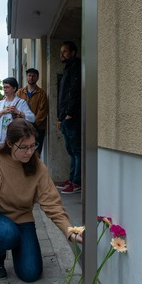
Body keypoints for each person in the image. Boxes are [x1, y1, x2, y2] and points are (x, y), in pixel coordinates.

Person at [0, 119, 82, 281]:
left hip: (23, 219)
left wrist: (69, 231)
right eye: (23, 147)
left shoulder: (37, 167)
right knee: (8, 234)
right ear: (10, 143)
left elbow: (52, 203)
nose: (29, 152)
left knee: (30, 273)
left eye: (32, 146)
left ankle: (16, 244)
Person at [56, 41, 81, 195]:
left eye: (65, 51)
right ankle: (72, 179)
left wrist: (70, 113)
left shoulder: (76, 66)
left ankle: (77, 182)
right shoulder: (67, 68)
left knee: (77, 150)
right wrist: (60, 117)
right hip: (65, 116)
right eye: (61, 51)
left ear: (73, 52)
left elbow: (75, 91)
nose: (62, 54)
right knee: (71, 150)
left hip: (72, 116)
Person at [0, 77, 35, 146]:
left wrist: (18, 112)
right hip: (1, 139)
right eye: (4, 87)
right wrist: (2, 112)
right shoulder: (1, 103)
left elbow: (32, 118)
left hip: (15, 138)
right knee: (1, 156)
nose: (5, 89)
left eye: (7, 87)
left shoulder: (21, 102)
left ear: (14, 88)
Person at [16, 68, 48, 155]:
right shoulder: (20, 92)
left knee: (36, 152)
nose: (31, 78)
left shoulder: (41, 93)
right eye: (29, 75)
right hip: (23, 127)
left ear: (37, 78)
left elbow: (43, 111)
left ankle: (36, 169)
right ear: (26, 77)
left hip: (38, 128)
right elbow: (16, 108)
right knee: (24, 152)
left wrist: (33, 123)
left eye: (33, 76)